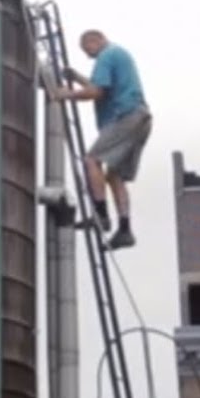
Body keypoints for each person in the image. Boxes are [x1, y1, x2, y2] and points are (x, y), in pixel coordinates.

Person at [53, 29, 153, 251]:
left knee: (91, 160)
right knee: (114, 175)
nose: (88, 55)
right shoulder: (119, 55)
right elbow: (102, 87)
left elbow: (96, 92)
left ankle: (101, 216)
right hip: (140, 118)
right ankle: (125, 230)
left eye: (86, 49)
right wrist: (77, 77)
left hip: (125, 116)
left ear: (95, 39)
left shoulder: (107, 55)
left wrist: (66, 94)